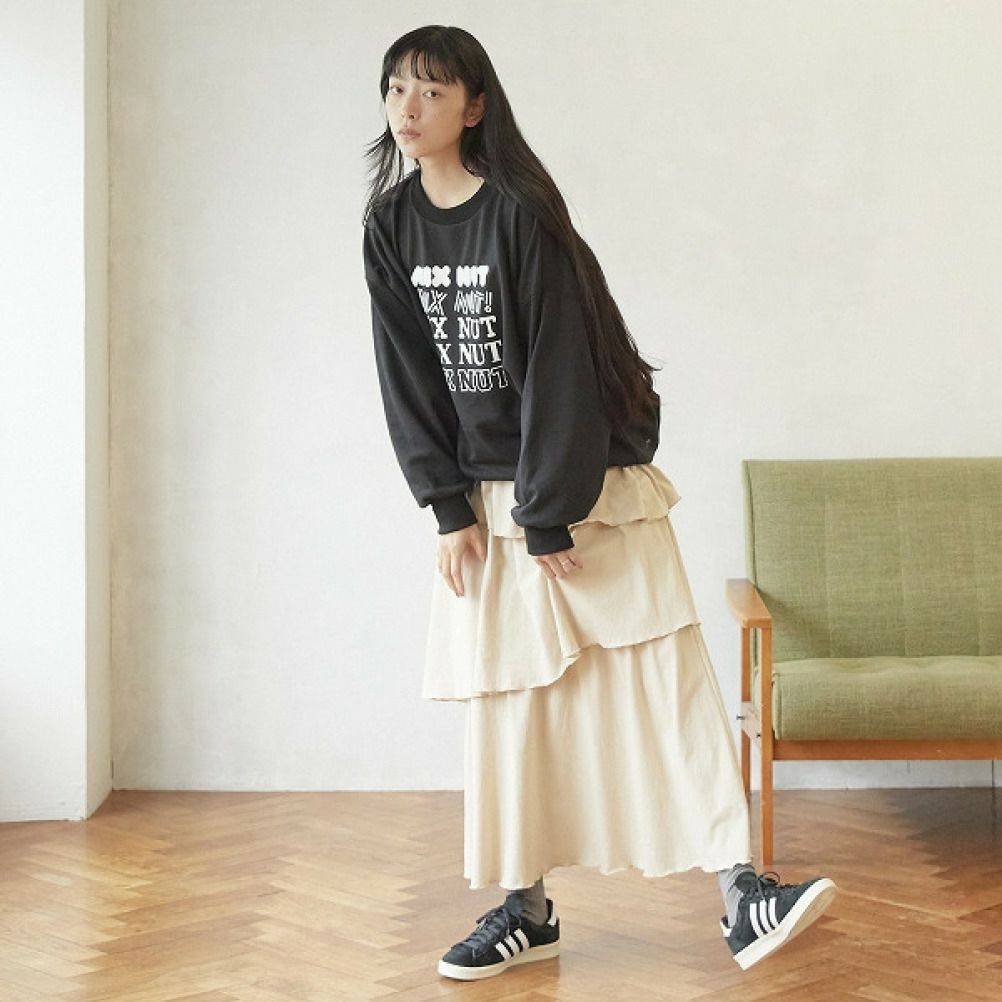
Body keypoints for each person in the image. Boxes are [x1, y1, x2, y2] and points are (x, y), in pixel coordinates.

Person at [360, 25, 838, 982]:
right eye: (397, 89)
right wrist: (448, 508)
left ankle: (743, 890)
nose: (410, 109)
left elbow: (562, 366)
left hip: (590, 488)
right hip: (492, 499)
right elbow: (404, 371)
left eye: (433, 91)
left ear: (475, 107)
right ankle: (525, 909)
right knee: (512, 706)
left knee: (665, 682)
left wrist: (548, 511)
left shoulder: (520, 212)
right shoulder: (390, 225)